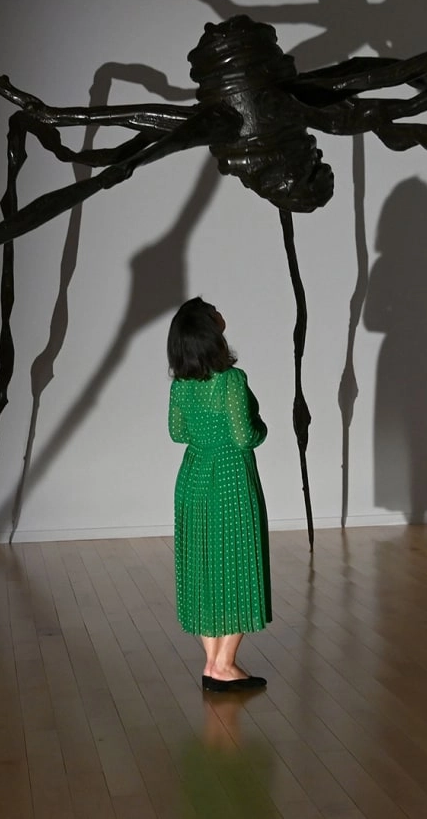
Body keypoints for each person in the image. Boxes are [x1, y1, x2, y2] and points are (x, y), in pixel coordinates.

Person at [166, 296, 271, 692]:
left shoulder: (181, 386)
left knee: (204, 566)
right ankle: (224, 664)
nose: (218, 310)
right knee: (238, 564)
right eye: (212, 309)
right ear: (210, 329)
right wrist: (261, 429)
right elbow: (246, 436)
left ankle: (213, 662)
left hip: (194, 477)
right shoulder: (231, 381)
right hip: (229, 478)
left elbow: (178, 433)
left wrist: (205, 438)